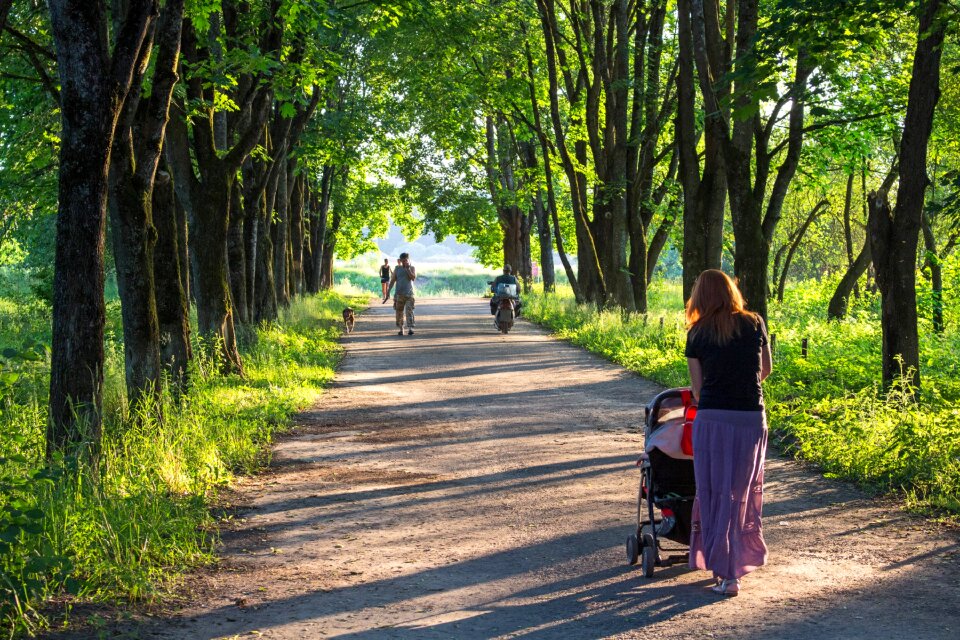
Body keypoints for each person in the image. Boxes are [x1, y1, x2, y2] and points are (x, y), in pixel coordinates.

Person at [684, 269, 772, 597]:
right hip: (750, 418)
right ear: (731, 291)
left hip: (713, 419)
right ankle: (737, 565)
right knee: (741, 494)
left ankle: (724, 572)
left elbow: (697, 389)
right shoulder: (754, 323)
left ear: (700, 297)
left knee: (713, 492)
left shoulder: (697, 333)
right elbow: (765, 370)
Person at [386, 252, 416, 335]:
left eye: (405, 260)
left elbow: (413, 278)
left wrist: (408, 269)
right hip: (399, 294)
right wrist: (388, 292)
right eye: (402, 261)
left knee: (409, 311)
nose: (404, 262)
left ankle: (410, 328)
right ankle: (401, 329)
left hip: (409, 294)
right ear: (400, 260)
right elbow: (392, 281)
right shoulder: (397, 269)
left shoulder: (412, 268)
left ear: (408, 260)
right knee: (399, 312)